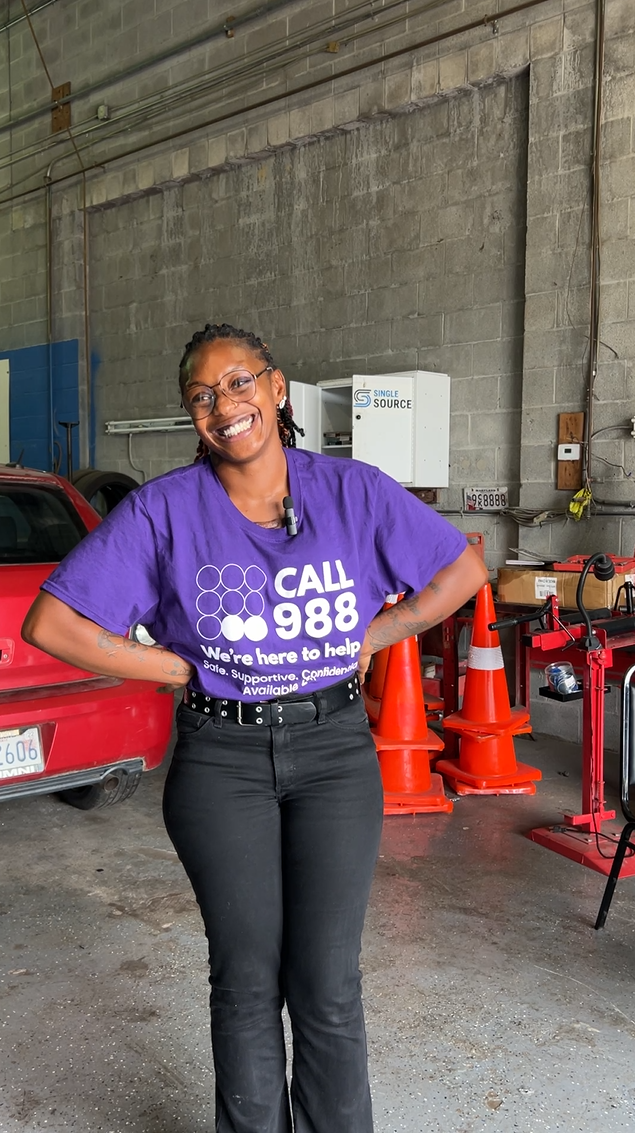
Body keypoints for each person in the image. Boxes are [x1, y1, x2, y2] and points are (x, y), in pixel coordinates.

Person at [23, 322, 488, 1133]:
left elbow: (461, 570)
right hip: (222, 760)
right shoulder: (164, 510)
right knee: (244, 981)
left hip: (333, 752)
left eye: (238, 382)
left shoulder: (352, 492)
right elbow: (52, 623)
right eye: (201, 395)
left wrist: (374, 635)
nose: (223, 404)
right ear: (192, 417)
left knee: (327, 981)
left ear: (276, 388)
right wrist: (176, 668)